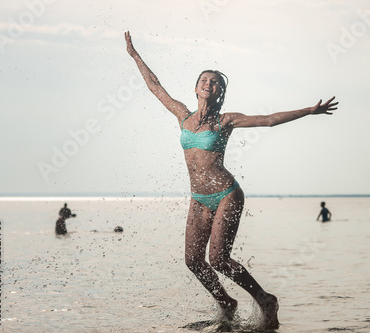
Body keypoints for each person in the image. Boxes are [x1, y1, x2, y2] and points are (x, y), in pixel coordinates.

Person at [125, 31, 338, 329]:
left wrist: (309, 110)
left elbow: (269, 119)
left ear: (220, 91)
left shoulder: (226, 120)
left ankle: (266, 299)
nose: (209, 84)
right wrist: (135, 55)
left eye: (215, 82)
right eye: (205, 80)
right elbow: (155, 87)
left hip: (226, 193)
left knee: (219, 259)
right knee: (193, 261)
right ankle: (226, 301)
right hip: (198, 198)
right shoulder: (183, 116)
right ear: (196, 88)